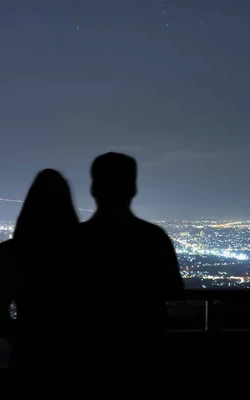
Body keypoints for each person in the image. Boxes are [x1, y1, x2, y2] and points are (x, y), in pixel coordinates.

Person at [75, 152, 184, 384]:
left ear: (94, 189)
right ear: (132, 189)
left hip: (85, 353)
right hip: (143, 349)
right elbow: (174, 288)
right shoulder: (153, 237)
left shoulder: (74, 240)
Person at [0, 169, 79, 389]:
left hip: (29, 355)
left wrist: (19, 337)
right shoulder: (86, 248)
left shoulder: (13, 252)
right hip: (76, 354)